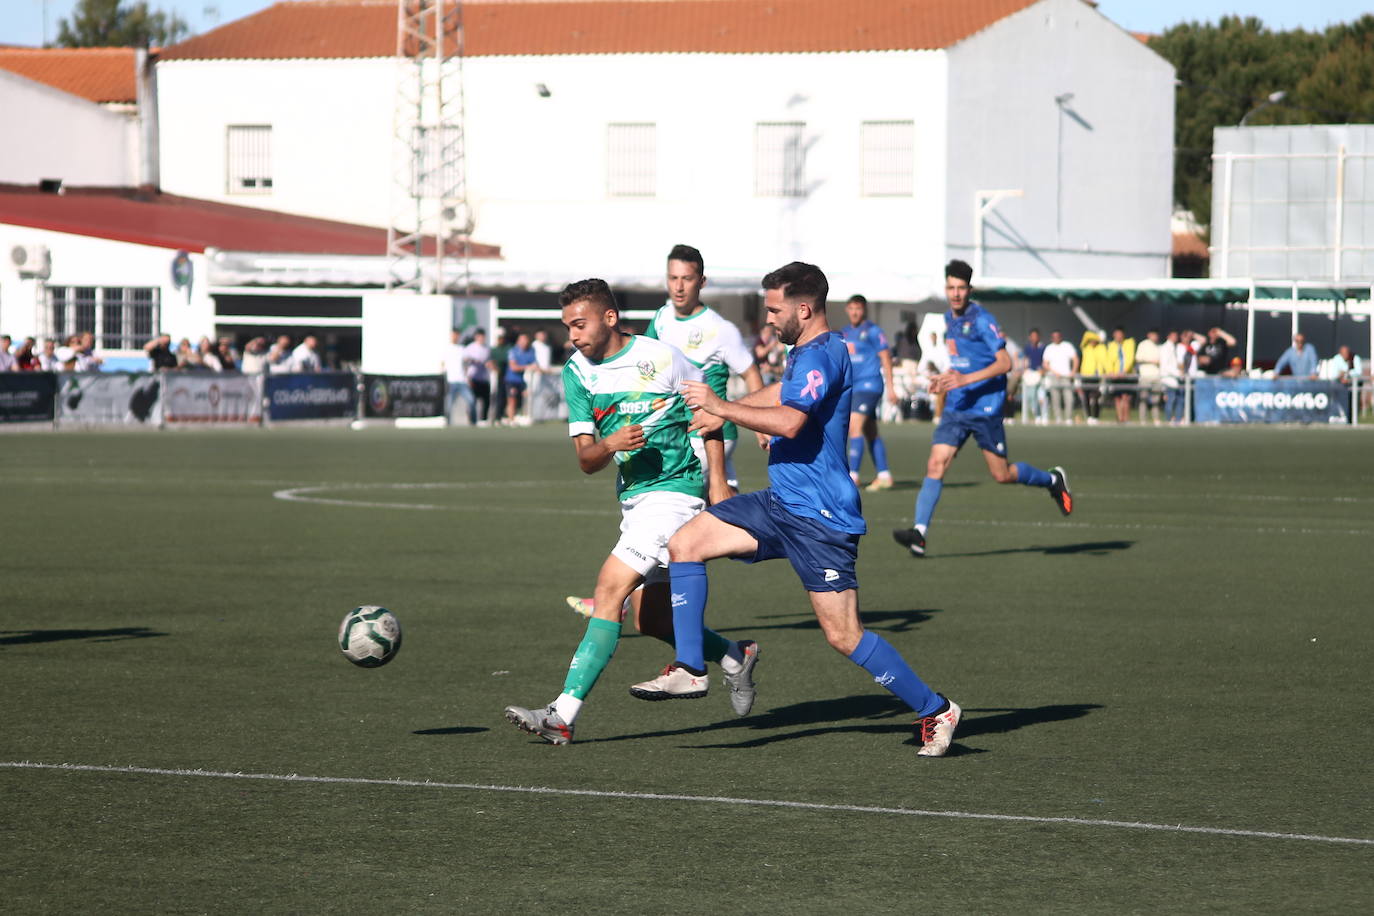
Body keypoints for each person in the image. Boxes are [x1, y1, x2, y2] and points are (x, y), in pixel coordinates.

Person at [628, 261, 962, 757]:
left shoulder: (824, 354)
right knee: (685, 544)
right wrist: (719, 404)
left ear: (803, 309)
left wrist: (721, 409)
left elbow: (787, 421)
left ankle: (936, 709)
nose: (768, 320)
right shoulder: (804, 351)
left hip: (821, 519)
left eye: (774, 310)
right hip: (780, 503)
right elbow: (777, 397)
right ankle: (691, 669)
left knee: (844, 635)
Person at [503, 279, 757, 745]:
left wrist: (718, 482)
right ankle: (736, 656)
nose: (573, 335)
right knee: (652, 621)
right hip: (635, 499)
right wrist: (610, 444)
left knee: (608, 590)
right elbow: (586, 460)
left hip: (676, 493)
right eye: (568, 327)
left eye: (580, 324)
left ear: (610, 318)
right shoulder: (576, 372)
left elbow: (709, 414)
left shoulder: (661, 358)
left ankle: (562, 714)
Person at [893, 260, 1071, 559]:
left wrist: (965, 379)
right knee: (936, 464)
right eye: (951, 287)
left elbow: (1005, 362)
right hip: (957, 405)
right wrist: (946, 377)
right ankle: (920, 533)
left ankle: (1052, 480)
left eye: (961, 288)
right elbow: (963, 360)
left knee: (1001, 474)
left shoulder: (981, 319)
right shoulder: (949, 320)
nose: (956, 293)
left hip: (985, 408)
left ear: (969, 289)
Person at [639, 245, 766, 490]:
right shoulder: (661, 317)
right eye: (673, 278)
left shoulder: (720, 328)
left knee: (670, 493)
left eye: (686, 279)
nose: (678, 287)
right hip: (677, 431)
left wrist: (760, 424)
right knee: (721, 507)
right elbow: (647, 366)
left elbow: (751, 372)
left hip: (708, 432)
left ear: (702, 281)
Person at [841, 294, 898, 491]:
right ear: (847, 310)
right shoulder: (845, 333)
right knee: (870, 431)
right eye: (851, 308)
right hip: (853, 389)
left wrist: (891, 388)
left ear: (864, 310)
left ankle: (853, 476)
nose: (855, 312)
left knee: (854, 427)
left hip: (869, 386)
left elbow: (886, 357)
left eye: (858, 308)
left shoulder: (873, 331)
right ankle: (884, 475)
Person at [441, 329, 474, 425]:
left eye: (457, 335)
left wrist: (467, 376)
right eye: (453, 335)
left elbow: (466, 364)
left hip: (462, 381)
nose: (455, 337)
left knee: (471, 401)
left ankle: (473, 422)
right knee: (449, 404)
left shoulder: (462, 349)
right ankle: (447, 423)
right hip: (451, 381)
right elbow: (442, 364)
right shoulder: (447, 349)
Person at [1103, 327, 1136, 424]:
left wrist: (1124, 371)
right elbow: (1108, 360)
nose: (1118, 336)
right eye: (1116, 334)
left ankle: (1126, 418)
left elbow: (1130, 358)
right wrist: (1110, 372)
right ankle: (1120, 418)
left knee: (1125, 397)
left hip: (1126, 375)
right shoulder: (1111, 346)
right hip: (1115, 375)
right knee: (1117, 398)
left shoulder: (1129, 343)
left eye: (1120, 334)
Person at [461, 328, 493, 426]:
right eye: (480, 336)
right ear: (476, 337)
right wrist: (467, 377)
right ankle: (472, 420)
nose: (482, 338)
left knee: (486, 400)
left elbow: (489, 362)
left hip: (484, 378)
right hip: (473, 378)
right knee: (472, 401)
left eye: (483, 336)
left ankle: (483, 419)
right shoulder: (470, 348)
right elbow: (464, 361)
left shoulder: (486, 349)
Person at [504, 332, 537, 423]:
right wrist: (527, 367)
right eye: (522, 340)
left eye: (526, 340)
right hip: (512, 380)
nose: (524, 342)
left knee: (526, 398)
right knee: (512, 399)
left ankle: (524, 417)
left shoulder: (530, 351)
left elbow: (534, 365)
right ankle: (511, 420)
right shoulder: (513, 351)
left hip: (523, 380)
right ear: (518, 341)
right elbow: (513, 367)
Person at [1077, 330, 1109, 424]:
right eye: (1092, 340)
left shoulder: (1101, 348)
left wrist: (1108, 371)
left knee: (1096, 397)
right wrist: (1095, 336)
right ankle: (1089, 416)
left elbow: (1105, 361)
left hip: (1096, 376)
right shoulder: (1086, 347)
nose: (1093, 341)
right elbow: (1086, 335)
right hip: (1086, 375)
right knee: (1086, 397)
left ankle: (1095, 416)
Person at [1019, 328, 1047, 424]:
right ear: (1029, 337)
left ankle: (1044, 417)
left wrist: (1043, 370)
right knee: (1031, 396)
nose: (1034, 338)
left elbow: (1046, 361)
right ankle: (1036, 415)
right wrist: (1024, 369)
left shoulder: (1043, 347)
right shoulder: (1027, 348)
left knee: (1042, 396)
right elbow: (1025, 360)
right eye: (1032, 336)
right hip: (1031, 375)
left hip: (1041, 375)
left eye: (1036, 336)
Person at [1135, 329, 1162, 425]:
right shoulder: (1143, 345)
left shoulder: (1159, 346)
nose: (1155, 337)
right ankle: (1143, 420)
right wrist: (1151, 361)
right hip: (1145, 376)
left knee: (1156, 400)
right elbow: (1138, 358)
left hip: (1156, 376)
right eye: (1153, 334)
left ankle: (1156, 419)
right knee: (1143, 398)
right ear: (1149, 335)